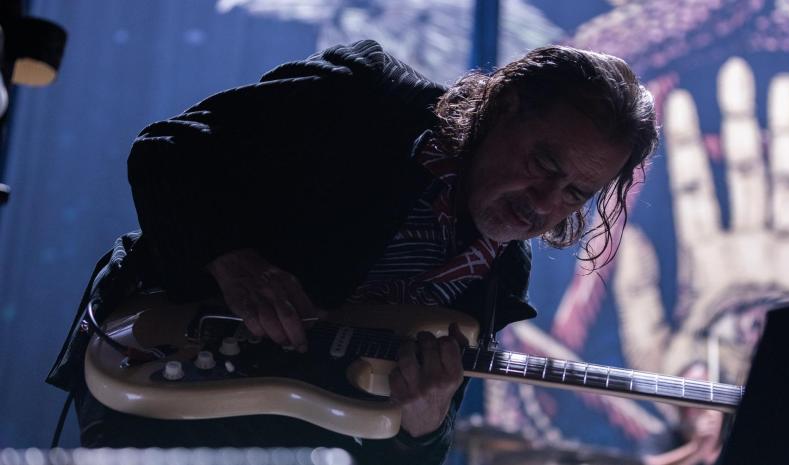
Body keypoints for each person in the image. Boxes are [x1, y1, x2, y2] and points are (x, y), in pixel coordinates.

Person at [46, 39, 658, 464]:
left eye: (575, 193)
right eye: (544, 163)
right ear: (505, 105)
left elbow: (409, 452)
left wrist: (423, 422)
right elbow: (167, 151)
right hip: (159, 356)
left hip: (295, 442)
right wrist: (232, 260)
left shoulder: (500, 276)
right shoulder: (366, 97)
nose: (546, 203)